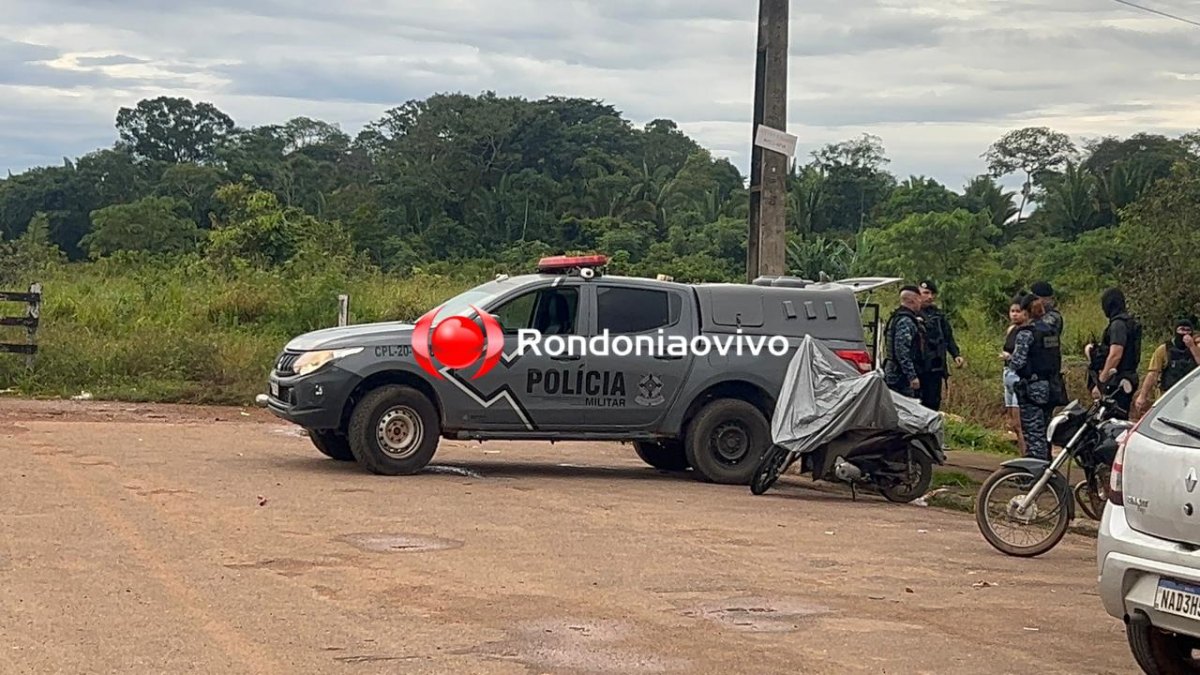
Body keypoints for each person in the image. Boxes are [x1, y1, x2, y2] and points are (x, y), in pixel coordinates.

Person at [1008, 294, 1061, 461]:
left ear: (1025, 312)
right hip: (1051, 386)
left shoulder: (1026, 333)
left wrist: (1009, 359)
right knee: (1045, 431)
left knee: (1033, 433)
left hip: (1032, 388)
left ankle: (1035, 474)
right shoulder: (1051, 331)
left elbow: (1017, 362)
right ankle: (1047, 470)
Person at [1086, 288, 1142, 419]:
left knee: (1110, 421)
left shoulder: (1118, 325)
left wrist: (1101, 381)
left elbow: (1116, 354)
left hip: (1117, 380)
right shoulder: (1129, 322)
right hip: (1127, 376)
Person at [1133, 318, 1200, 418]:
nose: (1185, 333)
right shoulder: (1164, 349)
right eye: (1182, 330)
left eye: (1188, 330)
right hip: (1167, 396)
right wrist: (1142, 396)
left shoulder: (1196, 349)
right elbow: (1153, 373)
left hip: (1190, 397)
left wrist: (1192, 347)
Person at [917, 279, 964, 411]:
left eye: (932, 294)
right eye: (926, 293)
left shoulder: (938, 314)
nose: (930, 297)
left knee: (933, 402)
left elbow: (948, 336)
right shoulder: (910, 314)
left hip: (935, 366)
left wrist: (956, 354)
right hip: (918, 367)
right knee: (916, 402)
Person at [883, 285, 927, 399]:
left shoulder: (897, 317)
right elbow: (901, 351)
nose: (920, 303)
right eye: (919, 299)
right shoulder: (905, 320)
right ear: (913, 300)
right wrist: (911, 376)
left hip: (894, 372)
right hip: (900, 377)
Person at [1000, 295, 1028, 456]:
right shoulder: (1011, 330)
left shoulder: (1026, 332)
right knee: (1014, 424)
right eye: (1012, 311)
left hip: (1018, 376)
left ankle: (1026, 456)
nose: (1015, 315)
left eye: (1018, 311)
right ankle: (1021, 453)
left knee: (1020, 422)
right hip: (1007, 374)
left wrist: (1011, 357)